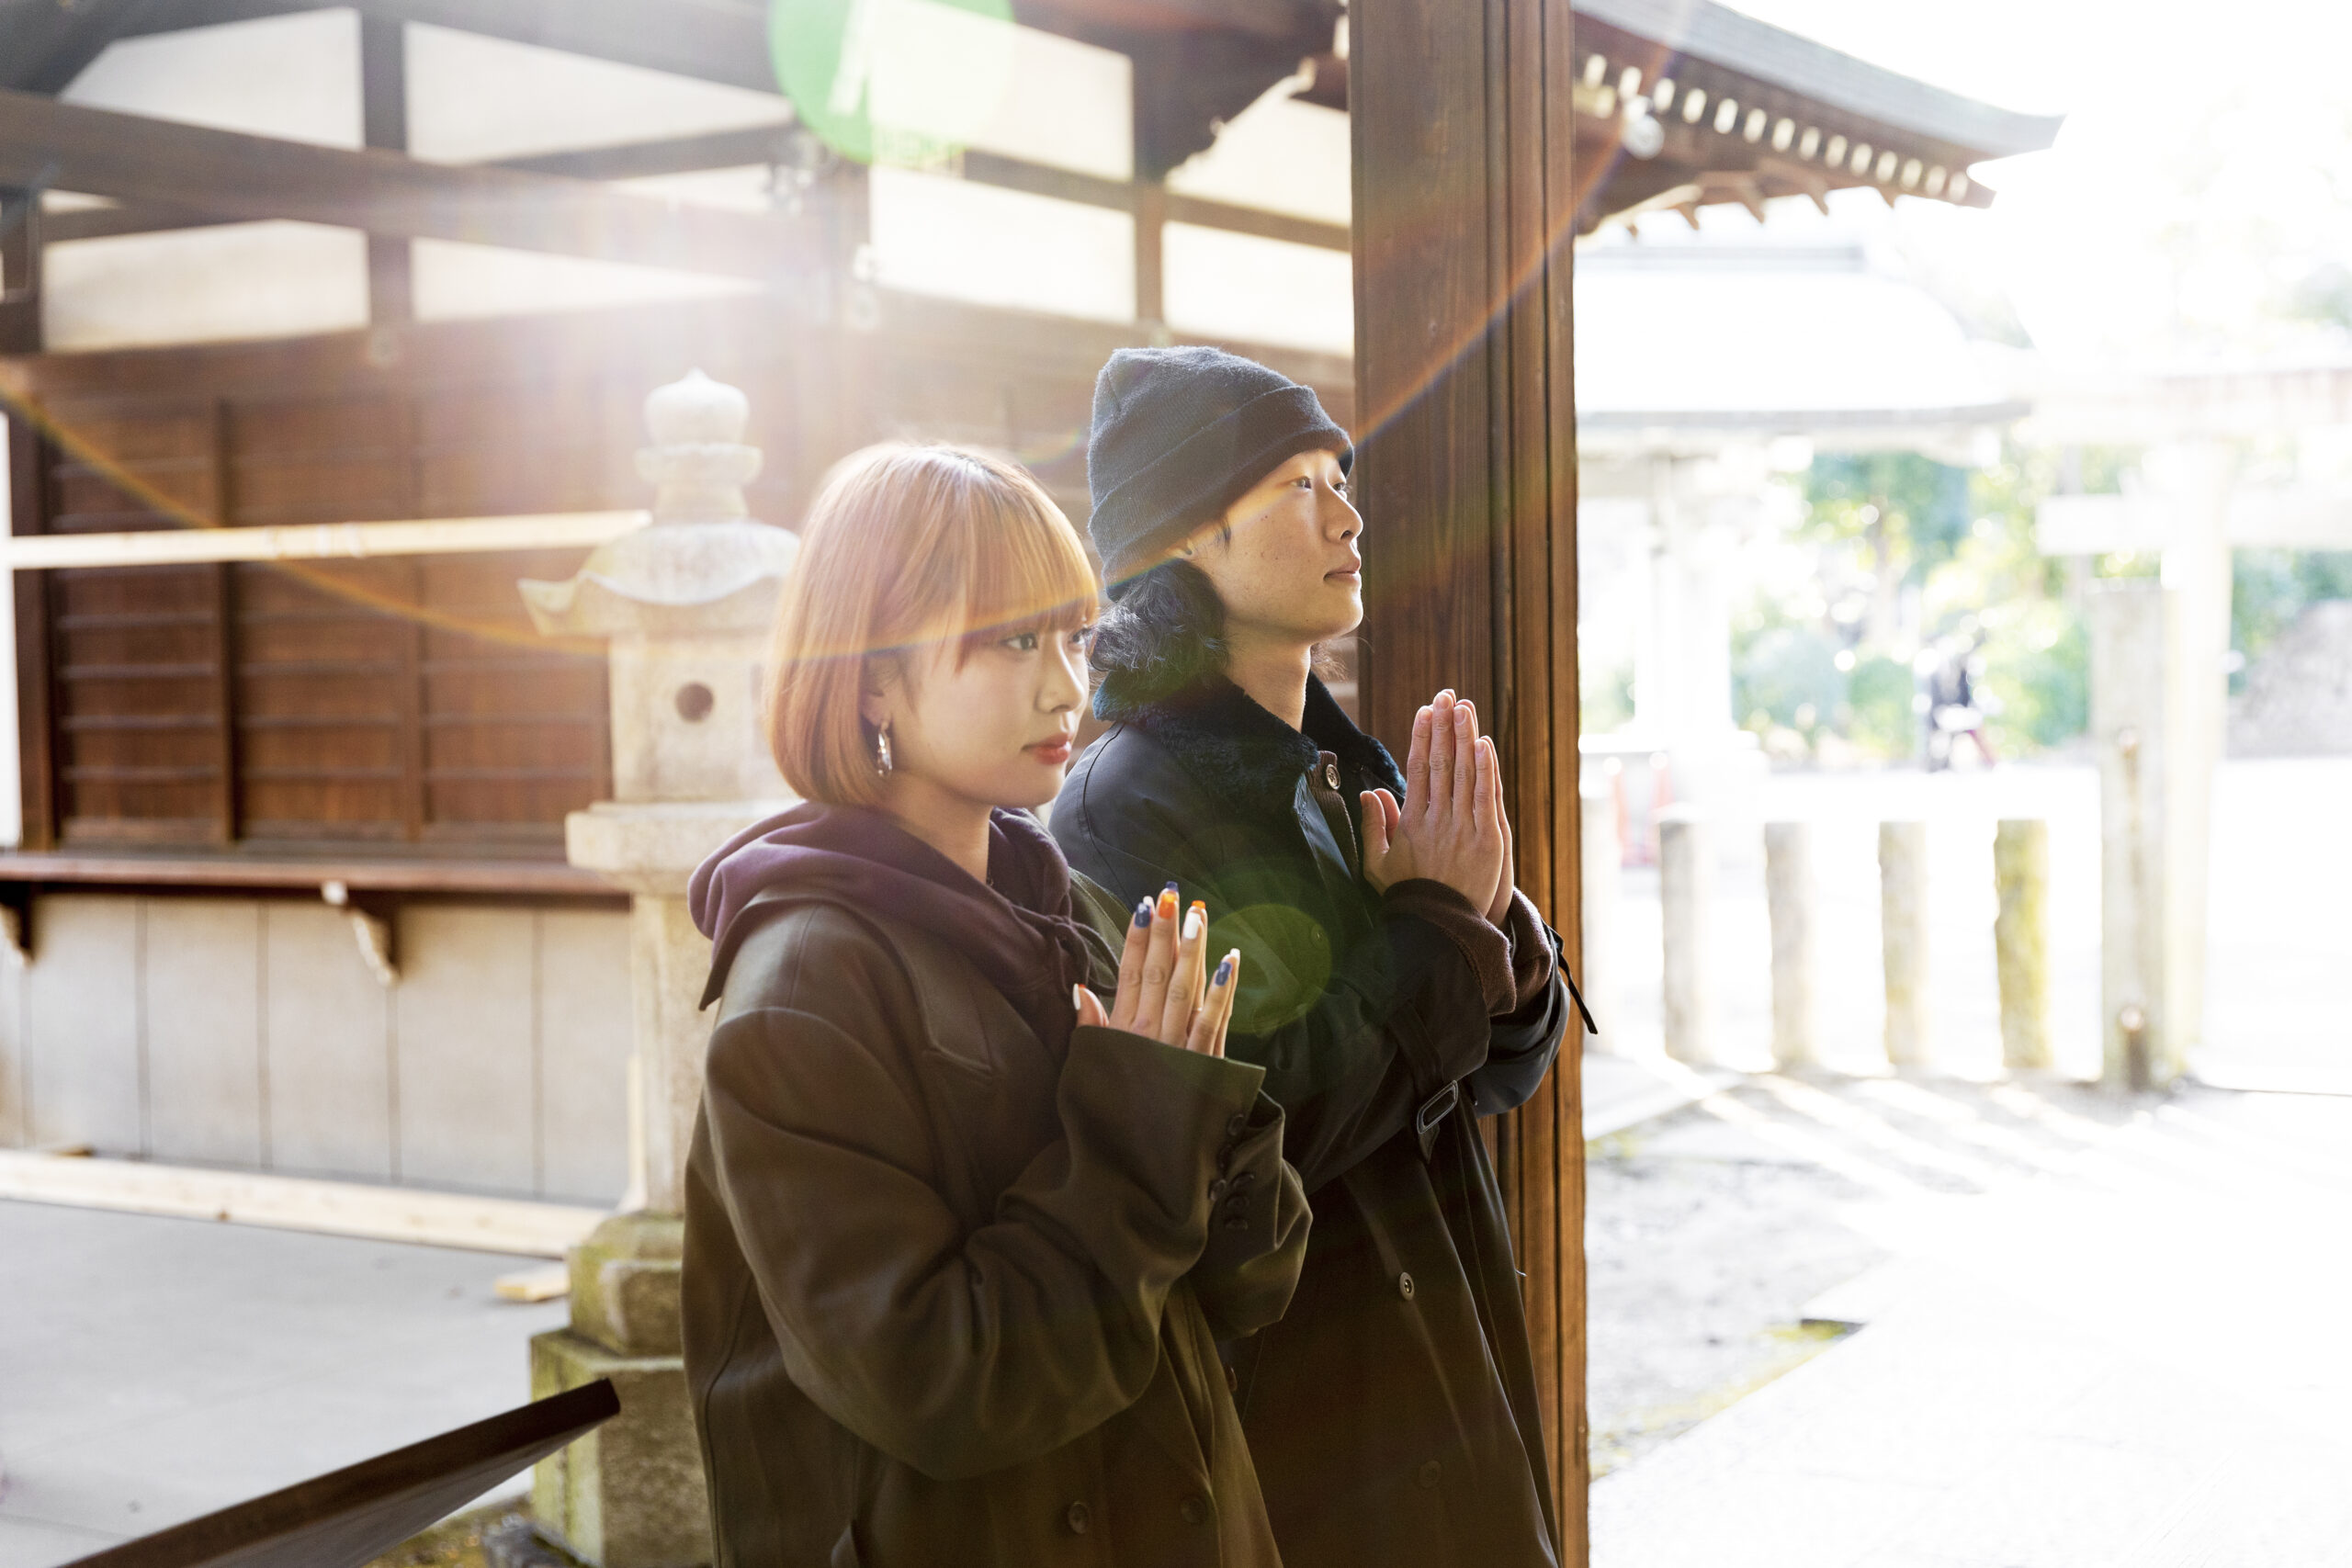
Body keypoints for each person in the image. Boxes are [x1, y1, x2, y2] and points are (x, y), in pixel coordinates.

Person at [682, 442, 1310, 1567]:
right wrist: (1144, 1122)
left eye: (1072, 637)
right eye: (1013, 638)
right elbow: (945, 1386)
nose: (1065, 685)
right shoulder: (804, 992)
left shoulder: (1061, 906)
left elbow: (1253, 1280)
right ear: (869, 673)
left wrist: (1204, 1090)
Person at [1051, 347, 1582, 1568]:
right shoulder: (1124, 806)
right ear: (1187, 537)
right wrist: (1438, 931)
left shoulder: (1343, 767)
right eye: (1298, 484)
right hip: (1308, 1390)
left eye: (1340, 476)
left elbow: (1490, 1070)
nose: (1347, 512)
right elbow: (1254, 1126)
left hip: (1442, 1331)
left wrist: (1495, 927)